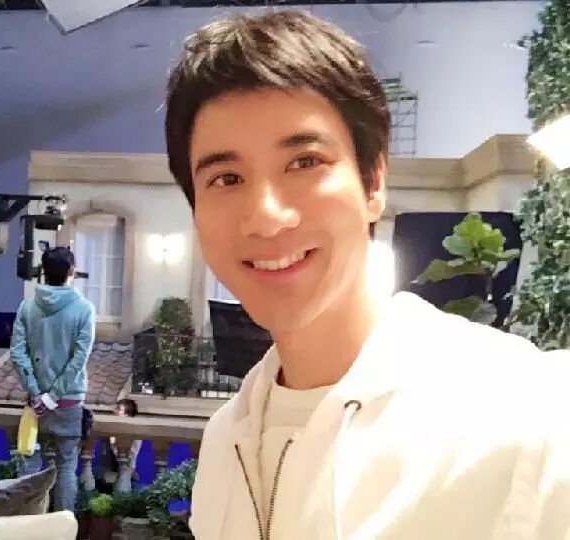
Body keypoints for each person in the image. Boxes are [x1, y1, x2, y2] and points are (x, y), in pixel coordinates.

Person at [164, 11, 570, 540]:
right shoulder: (225, 441)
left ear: (373, 180)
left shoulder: (526, 414)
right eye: (226, 178)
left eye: (305, 162)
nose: (267, 217)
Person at [10, 246, 95, 512]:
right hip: (69, 401)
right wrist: (53, 396)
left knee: (30, 465)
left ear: (43, 272)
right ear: (72, 272)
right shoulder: (84, 309)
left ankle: (28, 524)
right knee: (67, 468)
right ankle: (63, 526)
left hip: (34, 404)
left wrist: (36, 393)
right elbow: (79, 359)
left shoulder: (27, 307)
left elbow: (18, 353)